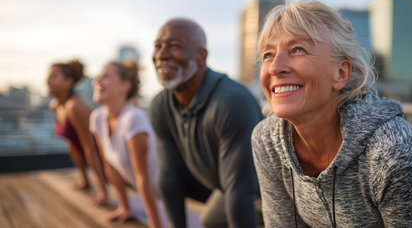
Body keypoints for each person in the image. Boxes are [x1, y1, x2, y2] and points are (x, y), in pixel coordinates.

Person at [251, 0, 412, 227]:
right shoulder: (267, 140)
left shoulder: (391, 151)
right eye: (268, 54)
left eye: (298, 49)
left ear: (341, 72)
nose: (276, 67)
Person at [150, 18, 263, 228]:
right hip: (226, 186)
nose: (161, 55)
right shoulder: (161, 105)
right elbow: (169, 178)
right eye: (158, 46)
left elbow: (240, 193)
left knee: (238, 211)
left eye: (175, 46)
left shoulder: (230, 101)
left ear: (201, 57)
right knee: (210, 221)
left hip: (268, 190)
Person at [90, 61, 165, 227]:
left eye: (106, 77)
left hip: (166, 191)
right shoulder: (97, 117)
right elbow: (110, 166)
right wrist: (124, 206)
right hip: (147, 192)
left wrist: (155, 224)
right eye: (97, 77)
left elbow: (142, 178)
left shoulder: (133, 118)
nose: (97, 81)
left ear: (125, 86)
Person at [47, 59, 108, 205]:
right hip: (95, 160)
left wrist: (103, 192)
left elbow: (90, 147)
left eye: (54, 76)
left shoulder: (76, 106)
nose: (48, 81)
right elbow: (73, 144)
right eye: (48, 77)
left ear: (68, 82)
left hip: (108, 159)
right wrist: (85, 181)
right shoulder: (55, 106)